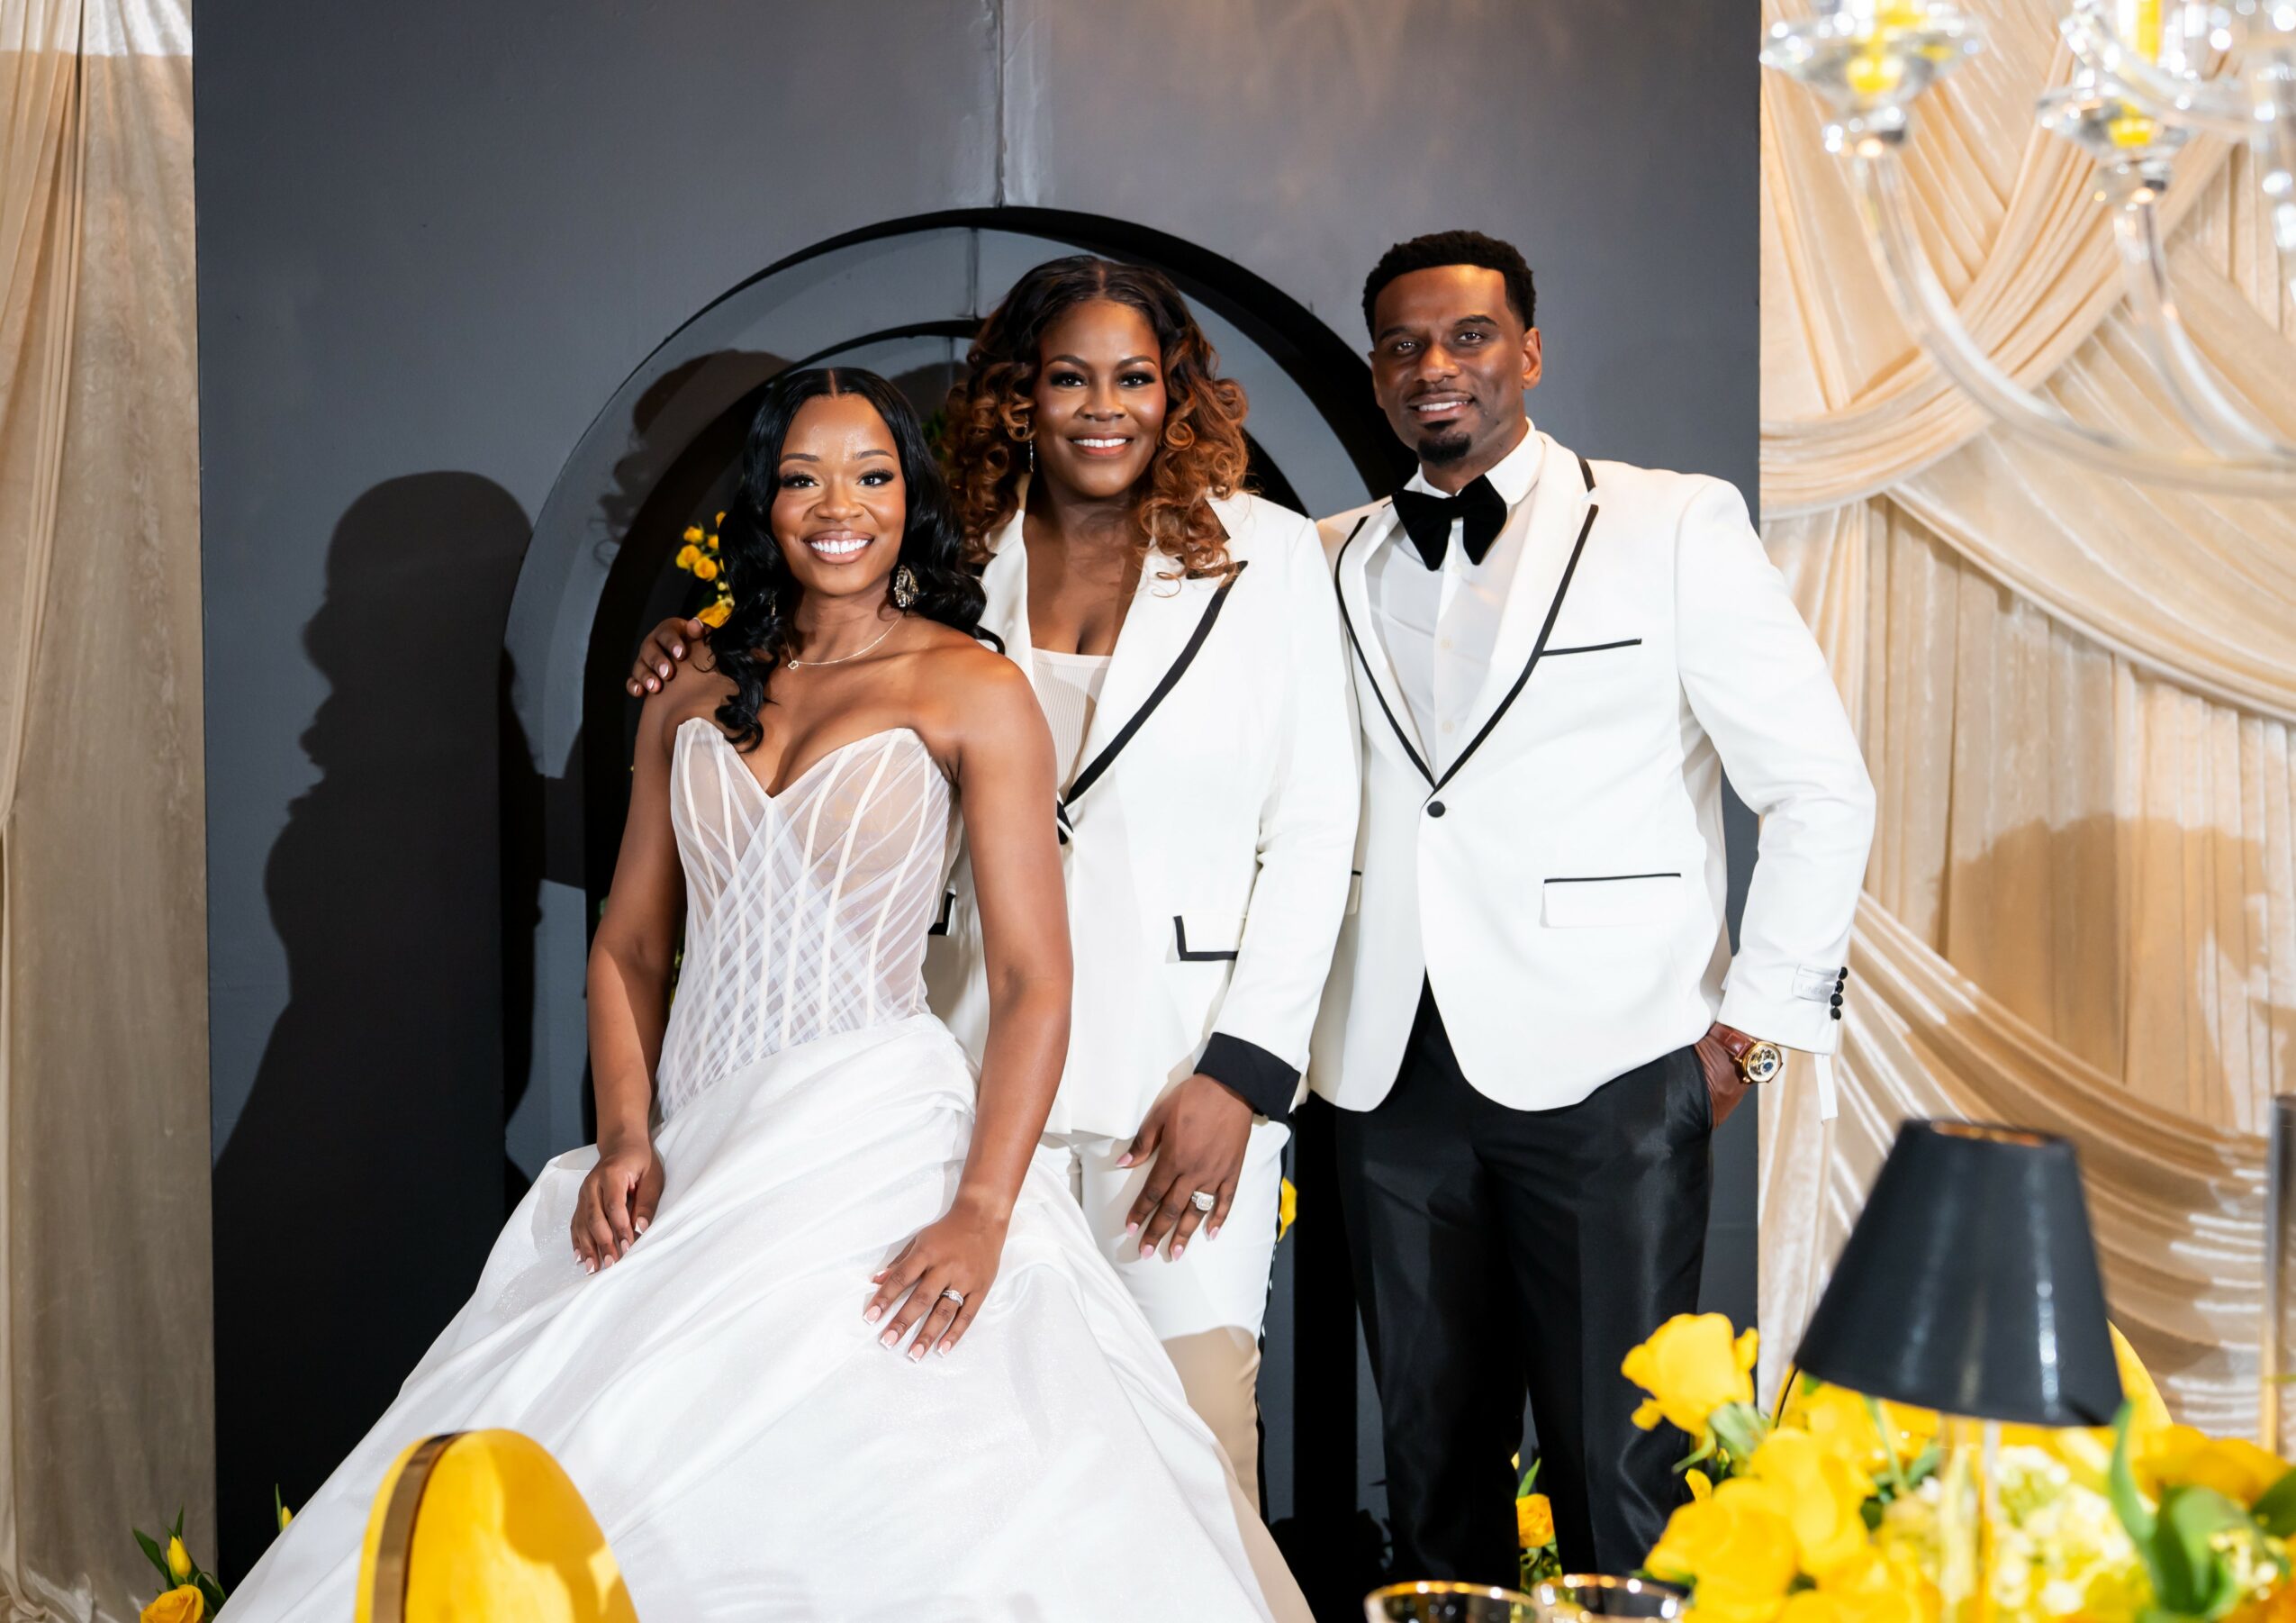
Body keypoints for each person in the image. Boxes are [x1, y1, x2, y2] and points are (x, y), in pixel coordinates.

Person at [229, 368, 1306, 1622]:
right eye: (802, 476)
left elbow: (1030, 980)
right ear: (765, 499)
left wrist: (980, 1208)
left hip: (876, 1136)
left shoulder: (972, 687)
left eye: (871, 475)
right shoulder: (688, 690)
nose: (836, 505)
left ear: (912, 499)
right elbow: (629, 944)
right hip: (697, 1144)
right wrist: (625, 1134)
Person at [628, 257, 1356, 1510]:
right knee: (969, 1479)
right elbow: (809, 650)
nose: (1101, 406)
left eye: (1134, 377)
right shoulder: (947, 552)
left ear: (1177, 394)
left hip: (1173, 1085)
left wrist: (1242, 1072)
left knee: (1194, 1456)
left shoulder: (1275, 558)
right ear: (1018, 397)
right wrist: (690, 643)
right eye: (1066, 378)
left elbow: (1314, 828)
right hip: (950, 1084)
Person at [1310, 231, 1875, 1582]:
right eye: (1401, 345)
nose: (1432, 367)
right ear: (1377, 374)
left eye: (1466, 335)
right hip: (1388, 1070)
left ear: (1529, 351)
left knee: (1618, 1475)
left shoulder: (1672, 521)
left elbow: (1818, 790)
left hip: (1621, 1070)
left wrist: (1754, 1041)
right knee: (1431, 1475)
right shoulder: (1325, 558)